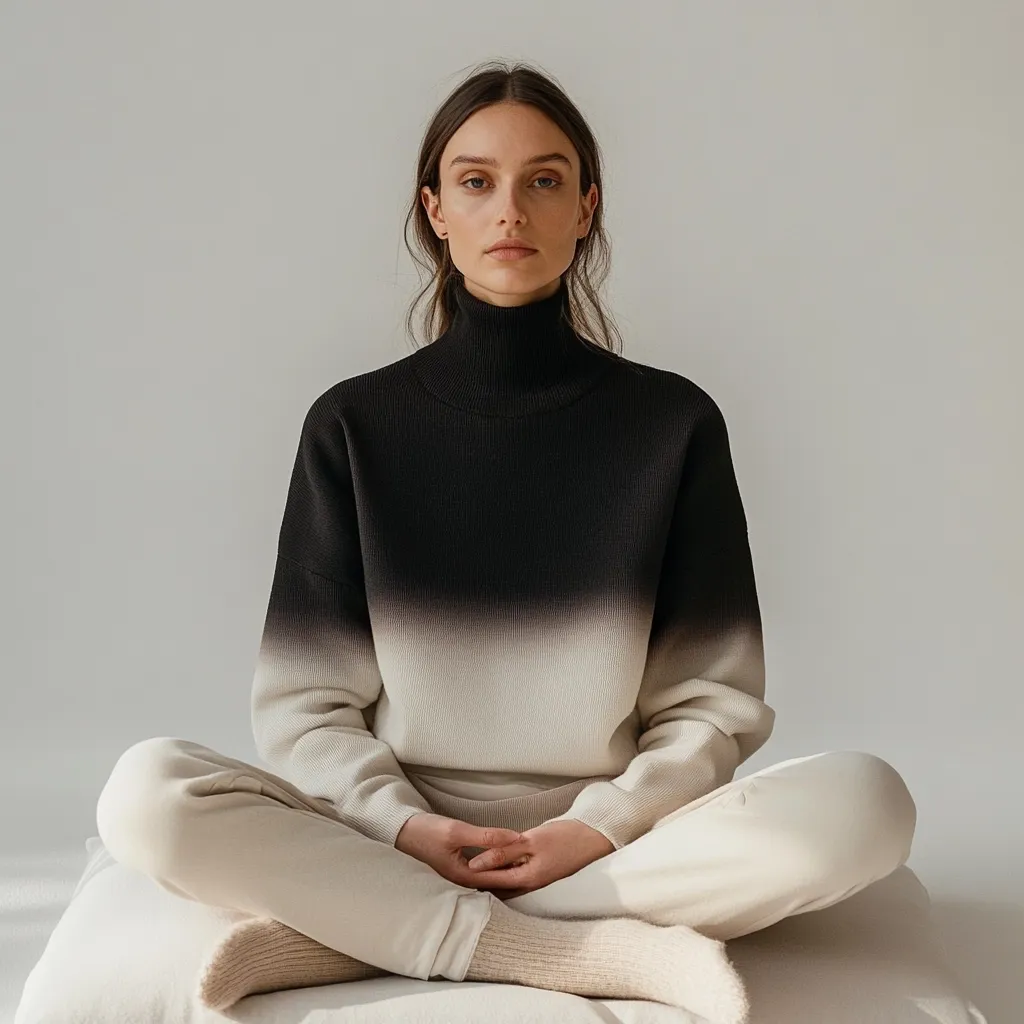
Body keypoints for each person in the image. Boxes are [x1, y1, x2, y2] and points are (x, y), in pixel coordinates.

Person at [94, 61, 916, 1024]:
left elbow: (711, 706)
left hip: (613, 836)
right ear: (435, 209)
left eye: (545, 180)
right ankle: (559, 946)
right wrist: (404, 828)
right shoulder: (352, 425)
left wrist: (593, 830)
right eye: (477, 181)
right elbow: (306, 710)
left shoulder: (673, 424)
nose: (510, 210)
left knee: (868, 806)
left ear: (586, 209)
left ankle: (369, 931)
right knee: (146, 798)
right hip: (391, 829)